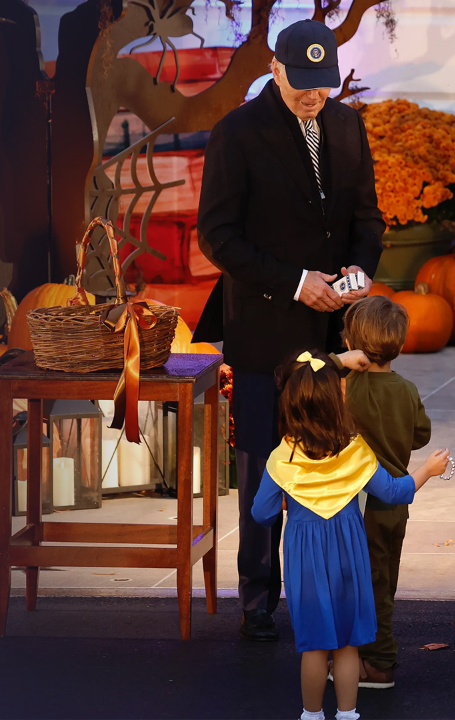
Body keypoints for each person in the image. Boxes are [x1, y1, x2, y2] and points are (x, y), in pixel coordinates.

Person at [197, 18, 386, 642]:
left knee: (334, 455)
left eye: (321, 85)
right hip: (266, 328)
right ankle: (258, 597)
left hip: (336, 331)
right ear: (275, 69)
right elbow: (218, 237)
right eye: (301, 83)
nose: (313, 96)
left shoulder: (347, 124)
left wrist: (358, 270)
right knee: (265, 465)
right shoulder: (236, 134)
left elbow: (368, 216)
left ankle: (329, 584)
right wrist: (295, 280)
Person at [252, 348, 451, 720]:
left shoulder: (282, 459)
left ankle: (311, 716)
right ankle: (347, 714)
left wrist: (287, 499)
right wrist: (427, 469)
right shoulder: (355, 451)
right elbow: (395, 492)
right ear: (336, 404)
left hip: (306, 562)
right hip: (348, 556)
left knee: (314, 648)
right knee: (346, 647)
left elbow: (261, 514)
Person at [334, 296, 432, 689]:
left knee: (365, 585)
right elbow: (421, 434)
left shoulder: (348, 390)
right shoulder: (406, 389)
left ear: (351, 343)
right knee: (385, 581)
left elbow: (305, 371)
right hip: (398, 501)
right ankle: (374, 655)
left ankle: (378, 663)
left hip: (361, 507)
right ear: (401, 343)